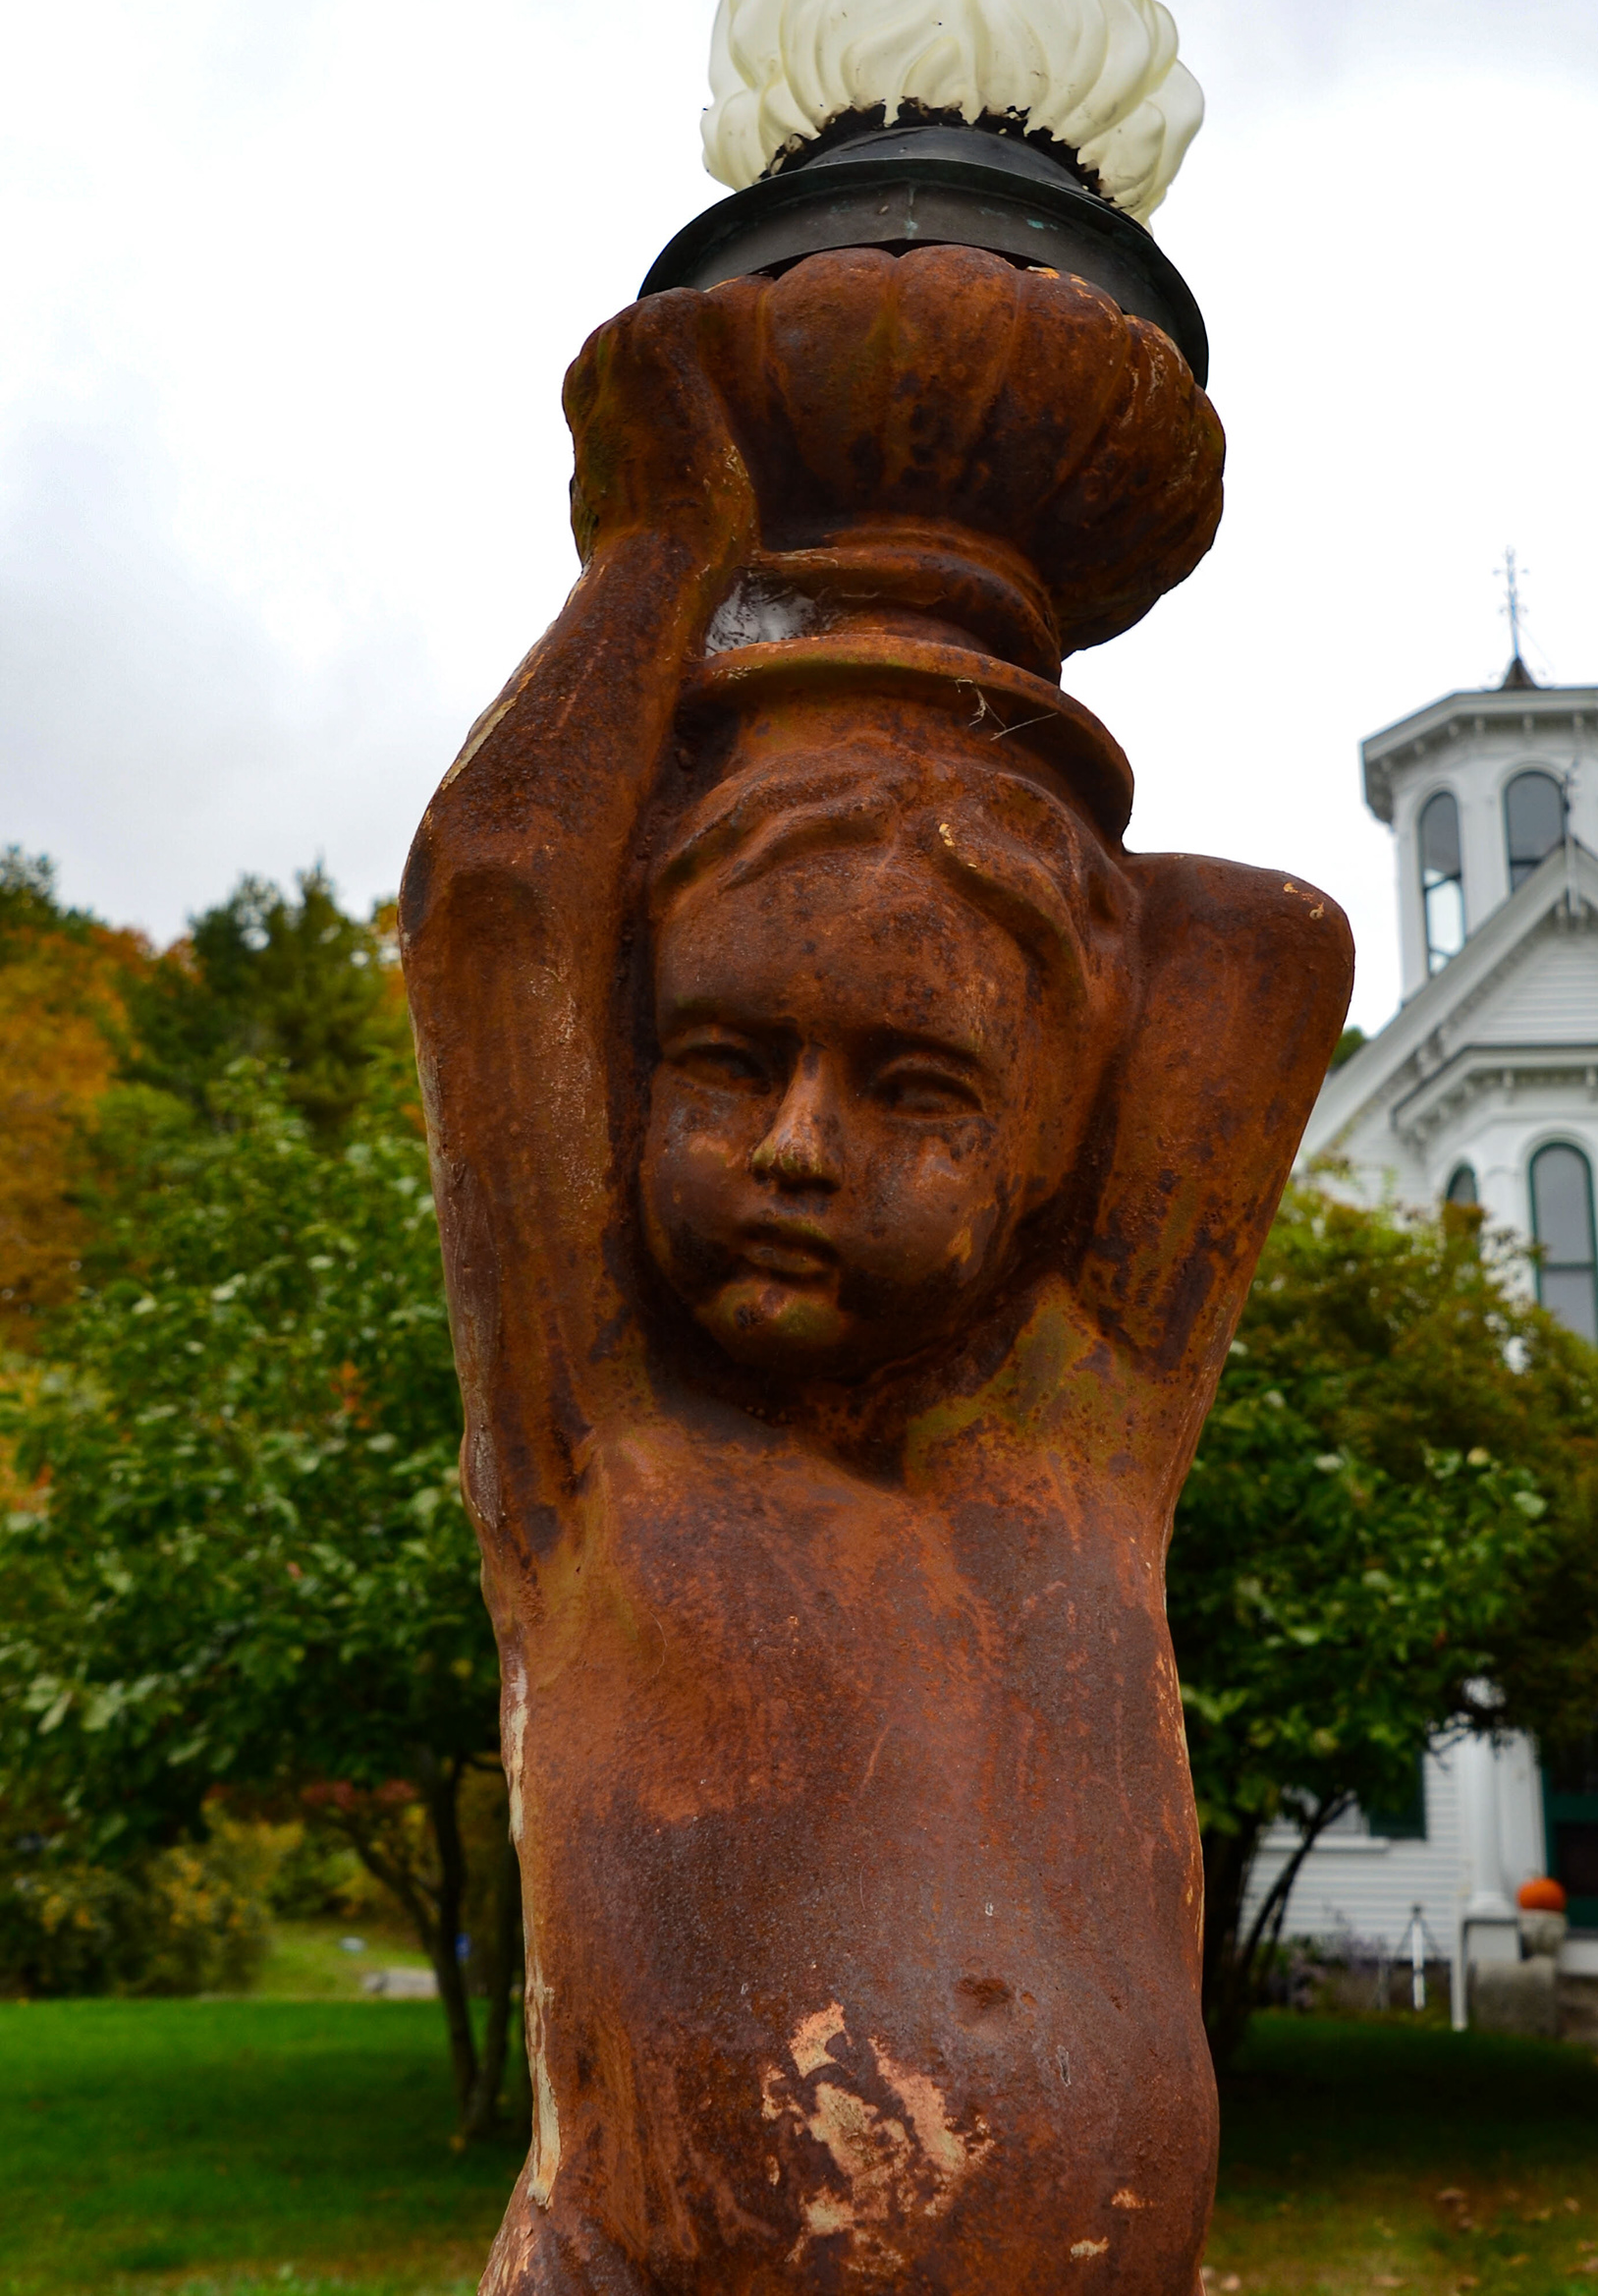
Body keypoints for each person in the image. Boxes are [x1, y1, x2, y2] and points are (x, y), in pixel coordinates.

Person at [402, 273, 1351, 2294]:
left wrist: (984, 826)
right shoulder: (603, 1444)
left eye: (911, 1088)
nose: (799, 1144)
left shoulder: (1082, 1442)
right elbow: (496, 899)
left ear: (1048, 1157)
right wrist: (665, 547)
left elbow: (1270, 951)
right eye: (730, 1058)